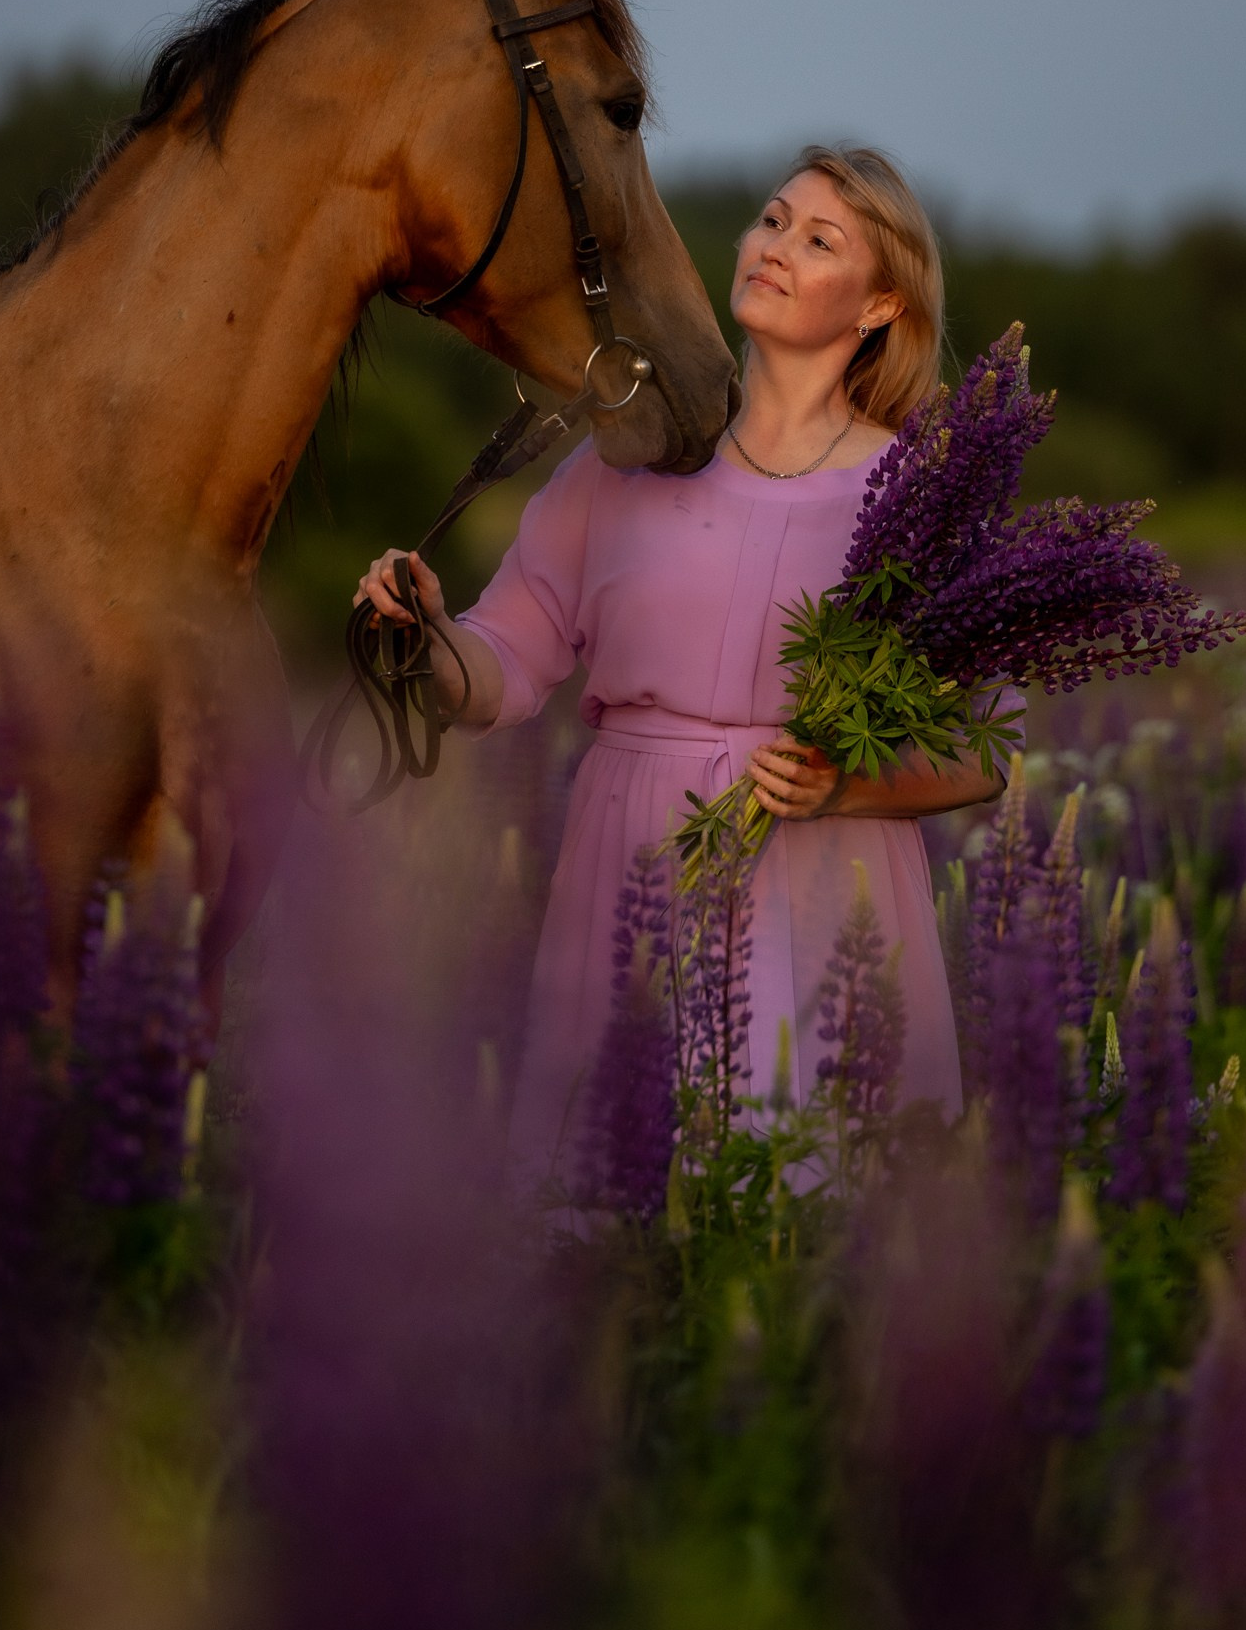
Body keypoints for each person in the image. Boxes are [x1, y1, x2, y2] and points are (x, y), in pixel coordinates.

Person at [357, 144, 1001, 1192]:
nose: (772, 247)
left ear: (880, 304)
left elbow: (984, 744)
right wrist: (424, 633)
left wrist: (849, 785)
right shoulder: (625, 459)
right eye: (770, 219)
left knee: (801, 1204)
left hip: (821, 884)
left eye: (818, 238)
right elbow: (502, 667)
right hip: (632, 860)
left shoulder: (916, 490)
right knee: (609, 1193)